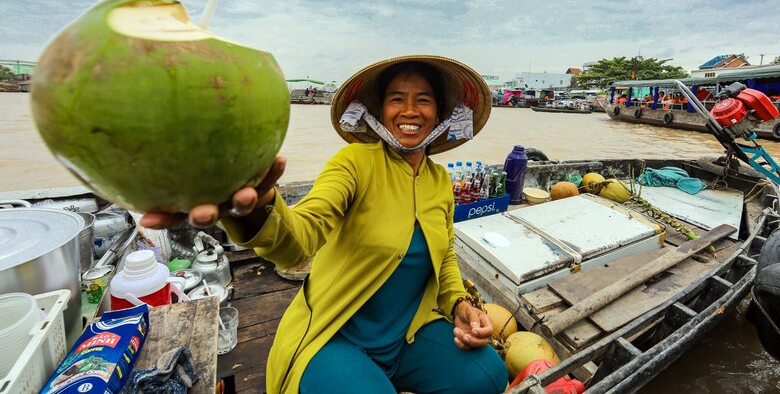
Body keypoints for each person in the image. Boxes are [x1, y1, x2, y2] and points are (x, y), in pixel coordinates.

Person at [141, 55, 507, 394]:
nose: (409, 110)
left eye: (423, 100)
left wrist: (459, 303)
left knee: (490, 374)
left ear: (441, 113)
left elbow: (444, 259)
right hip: (337, 334)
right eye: (397, 99)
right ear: (379, 110)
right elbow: (301, 236)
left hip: (408, 333)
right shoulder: (353, 163)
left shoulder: (439, 181)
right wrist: (257, 208)